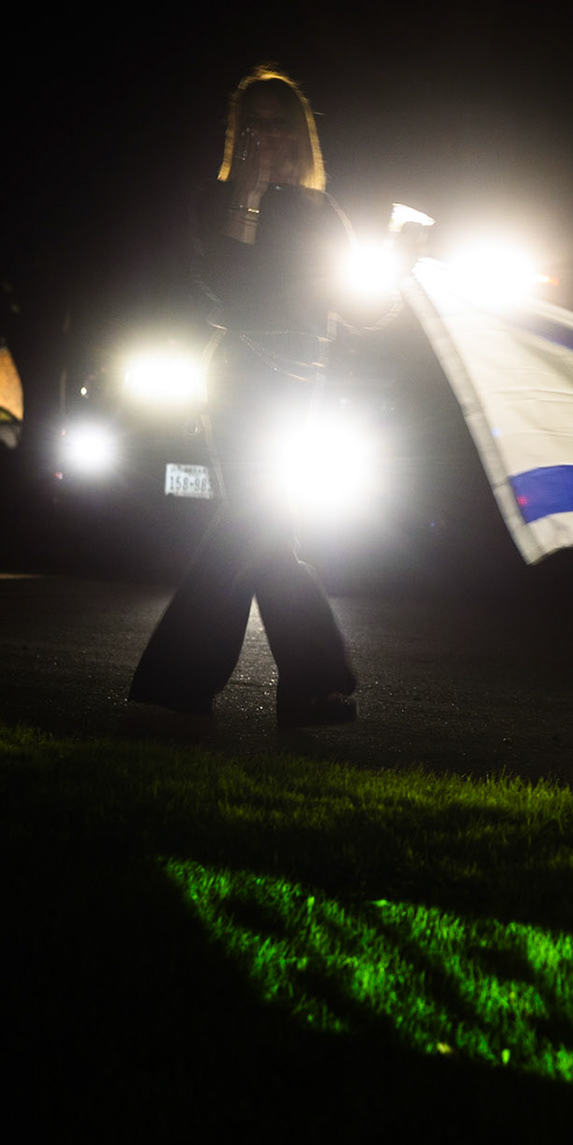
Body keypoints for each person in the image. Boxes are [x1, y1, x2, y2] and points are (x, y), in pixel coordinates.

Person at [128, 67, 384, 728]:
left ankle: (209, 684)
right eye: (253, 123)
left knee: (265, 537)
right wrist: (247, 193)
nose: (265, 134)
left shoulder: (321, 211)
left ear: (299, 133)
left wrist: (401, 268)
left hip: (304, 388)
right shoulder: (217, 200)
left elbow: (359, 311)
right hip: (245, 377)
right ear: (237, 134)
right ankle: (300, 683)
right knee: (256, 525)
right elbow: (224, 286)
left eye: (277, 122)